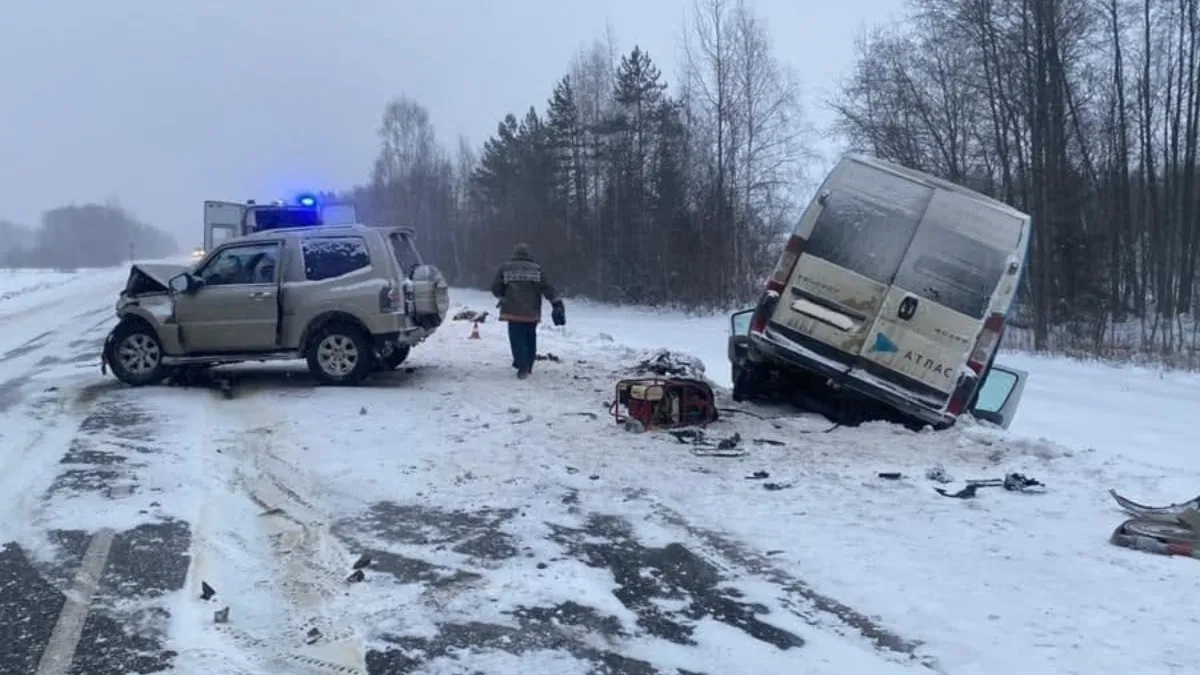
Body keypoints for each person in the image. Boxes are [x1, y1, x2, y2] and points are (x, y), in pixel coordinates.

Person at [491, 243, 565, 379]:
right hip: (532, 311)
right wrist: (556, 303)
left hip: (512, 310)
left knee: (516, 338)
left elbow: (496, 288)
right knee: (530, 337)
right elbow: (547, 287)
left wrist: (503, 295)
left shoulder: (505, 268)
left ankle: (522, 365)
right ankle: (529, 364)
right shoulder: (536, 269)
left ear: (515, 254)